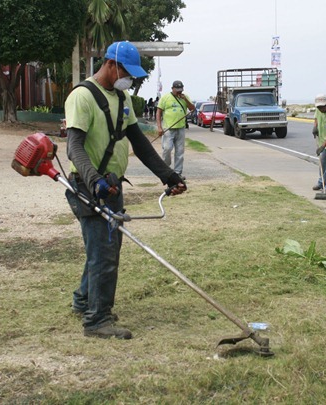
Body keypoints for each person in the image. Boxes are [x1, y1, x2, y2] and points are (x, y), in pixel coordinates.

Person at [64, 41, 187, 340]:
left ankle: (84, 301)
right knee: (104, 252)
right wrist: (94, 180)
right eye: (126, 72)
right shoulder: (82, 96)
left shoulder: (123, 98)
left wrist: (168, 175)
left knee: (104, 247)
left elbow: (140, 143)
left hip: (113, 185)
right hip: (89, 186)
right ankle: (97, 320)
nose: (129, 79)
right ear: (109, 63)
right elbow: (74, 147)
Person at [156, 80, 194, 177]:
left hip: (180, 128)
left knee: (180, 151)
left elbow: (192, 109)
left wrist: (185, 99)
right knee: (167, 149)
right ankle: (166, 170)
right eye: (177, 90)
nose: (179, 92)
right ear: (172, 89)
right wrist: (159, 127)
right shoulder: (165, 98)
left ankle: (177, 172)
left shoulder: (185, 97)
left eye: (180, 90)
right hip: (168, 128)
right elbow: (158, 112)